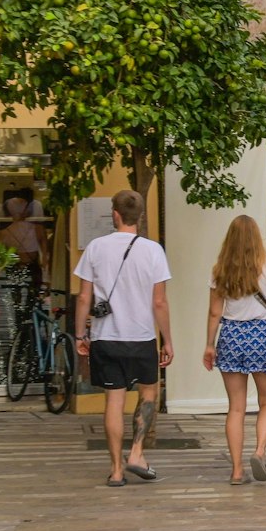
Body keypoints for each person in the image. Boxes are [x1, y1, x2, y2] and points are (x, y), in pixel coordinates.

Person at [73, 189, 172, 487]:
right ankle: (137, 453)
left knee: (113, 402)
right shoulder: (153, 250)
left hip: (106, 337)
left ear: (115, 214)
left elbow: (84, 298)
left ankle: (116, 470)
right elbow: (159, 302)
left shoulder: (95, 247)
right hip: (141, 337)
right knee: (148, 394)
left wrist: (80, 335)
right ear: (139, 217)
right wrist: (167, 340)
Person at [201, 215, 266, 485]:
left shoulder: (220, 269)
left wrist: (209, 345)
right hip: (263, 335)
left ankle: (236, 470)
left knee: (236, 408)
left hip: (231, 336)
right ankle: (259, 451)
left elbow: (214, 312)